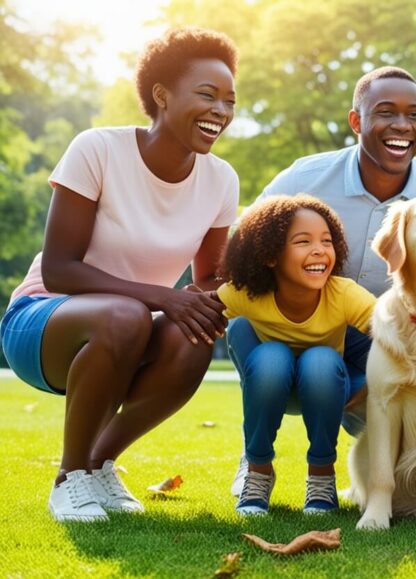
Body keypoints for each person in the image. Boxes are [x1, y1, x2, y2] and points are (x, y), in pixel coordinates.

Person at [0, 28, 240, 522]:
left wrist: (222, 295)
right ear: (161, 95)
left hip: (127, 331)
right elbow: (60, 268)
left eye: (230, 100)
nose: (221, 110)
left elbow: (210, 277)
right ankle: (69, 478)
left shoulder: (221, 179)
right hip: (40, 324)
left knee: (194, 335)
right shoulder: (97, 150)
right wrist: (163, 296)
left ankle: (99, 464)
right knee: (128, 315)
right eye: (207, 95)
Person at [227, 66, 416, 495]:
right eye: (386, 112)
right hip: (281, 332)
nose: (402, 126)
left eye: (414, 115)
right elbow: (242, 250)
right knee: (263, 355)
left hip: (378, 339)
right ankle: (255, 457)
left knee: (392, 432)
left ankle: (353, 466)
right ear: (356, 121)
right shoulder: (303, 180)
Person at [216, 195, 375, 516]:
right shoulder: (245, 295)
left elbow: (397, 334)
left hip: (327, 387)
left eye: (326, 241)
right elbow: (199, 313)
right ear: (270, 255)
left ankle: (321, 476)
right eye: (303, 241)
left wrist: (366, 391)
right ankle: (258, 471)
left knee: (321, 359)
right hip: (269, 384)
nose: (319, 250)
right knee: (268, 353)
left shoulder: (342, 293)